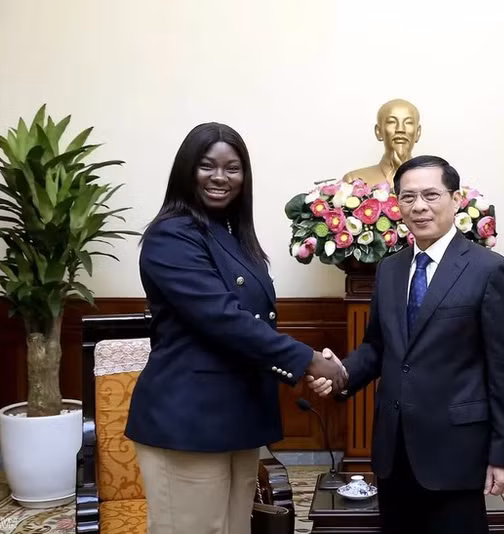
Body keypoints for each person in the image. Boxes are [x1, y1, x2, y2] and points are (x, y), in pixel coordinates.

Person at [126, 122, 346, 534]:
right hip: (188, 420)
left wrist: (304, 366)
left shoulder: (231, 234)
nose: (220, 178)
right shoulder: (172, 234)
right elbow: (223, 319)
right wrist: (308, 360)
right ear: (186, 170)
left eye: (233, 168)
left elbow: (255, 322)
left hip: (237, 415)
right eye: (207, 166)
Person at [309, 155, 504, 534]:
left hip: (456, 449)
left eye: (430, 195)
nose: (419, 206)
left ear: (455, 199)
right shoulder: (391, 268)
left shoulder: (489, 270)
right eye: (408, 197)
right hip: (394, 447)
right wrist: (342, 373)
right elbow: (378, 346)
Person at [342, 99, 422, 188]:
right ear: (378, 131)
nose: (400, 129)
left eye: (408, 123)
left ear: (418, 133)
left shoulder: (435, 180)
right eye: (391, 122)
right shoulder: (355, 181)